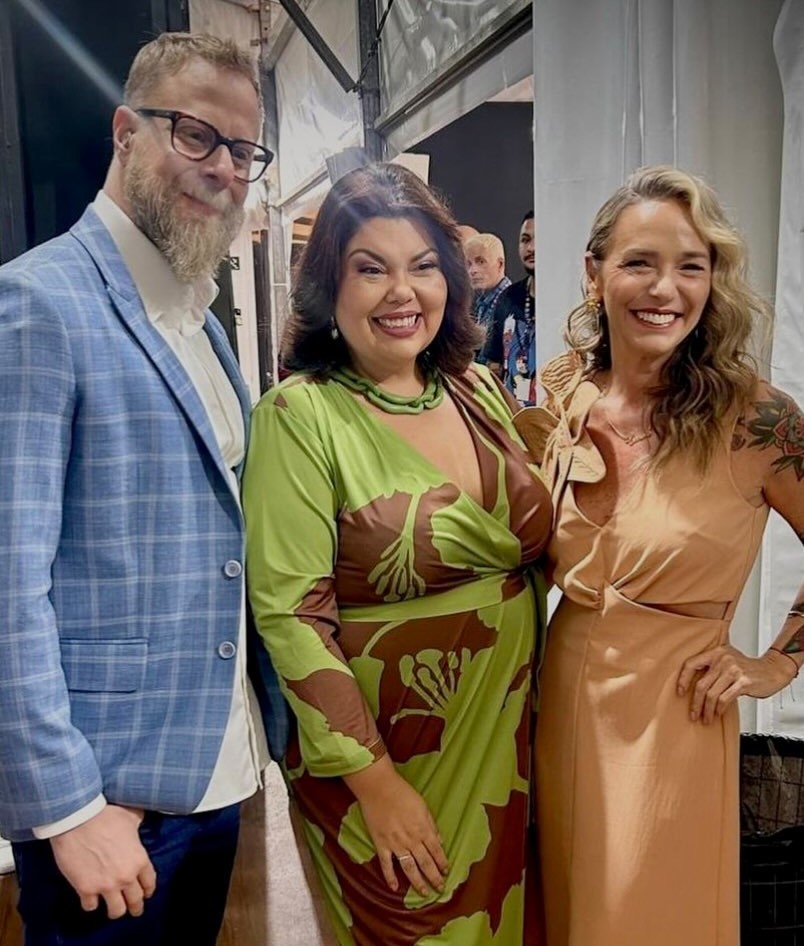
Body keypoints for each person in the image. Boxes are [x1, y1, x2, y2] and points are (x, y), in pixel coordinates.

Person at [0, 32, 286, 946]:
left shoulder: (196, 318)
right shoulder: (39, 303)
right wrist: (67, 806)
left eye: (242, 150)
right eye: (197, 135)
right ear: (126, 132)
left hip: (210, 772)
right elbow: (7, 580)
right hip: (106, 807)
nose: (224, 168)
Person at [243, 163, 552, 946]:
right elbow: (291, 617)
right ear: (330, 286)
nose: (402, 292)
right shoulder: (299, 416)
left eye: (422, 266)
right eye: (371, 269)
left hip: (511, 741)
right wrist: (375, 783)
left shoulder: (478, 390)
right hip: (389, 758)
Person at [519, 165, 803, 946]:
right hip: (560, 700)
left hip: (677, 716)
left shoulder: (758, 421)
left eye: (691, 266)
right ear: (595, 273)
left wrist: (775, 664)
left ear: (713, 281)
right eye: (639, 262)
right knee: (567, 915)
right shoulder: (565, 393)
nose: (665, 289)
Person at [484, 211, 536, 404]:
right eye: (525, 240)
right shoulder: (508, 297)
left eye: (539, 239)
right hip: (511, 413)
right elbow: (493, 364)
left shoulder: (568, 299)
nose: (531, 248)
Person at [464, 231, 511, 366]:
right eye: (469, 264)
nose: (472, 270)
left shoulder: (511, 303)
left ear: (500, 264)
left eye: (480, 262)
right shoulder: (482, 302)